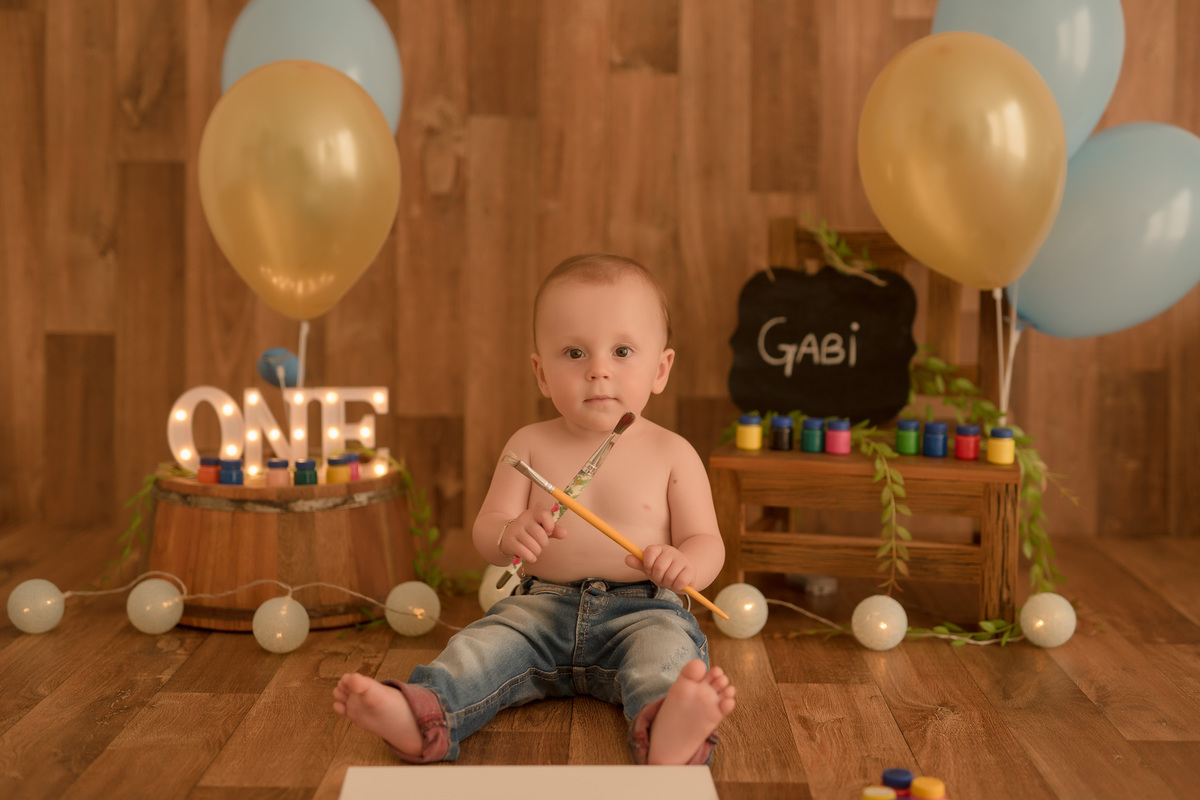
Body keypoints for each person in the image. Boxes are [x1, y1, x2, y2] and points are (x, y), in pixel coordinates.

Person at [333, 253, 736, 765]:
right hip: (538, 609)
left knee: (665, 658)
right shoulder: (527, 446)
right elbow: (488, 530)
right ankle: (424, 713)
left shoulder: (672, 453)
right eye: (574, 353)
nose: (598, 371)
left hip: (644, 609)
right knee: (480, 650)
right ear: (541, 373)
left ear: (660, 369)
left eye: (622, 350)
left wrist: (687, 565)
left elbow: (707, 541)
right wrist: (508, 535)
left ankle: (669, 729)